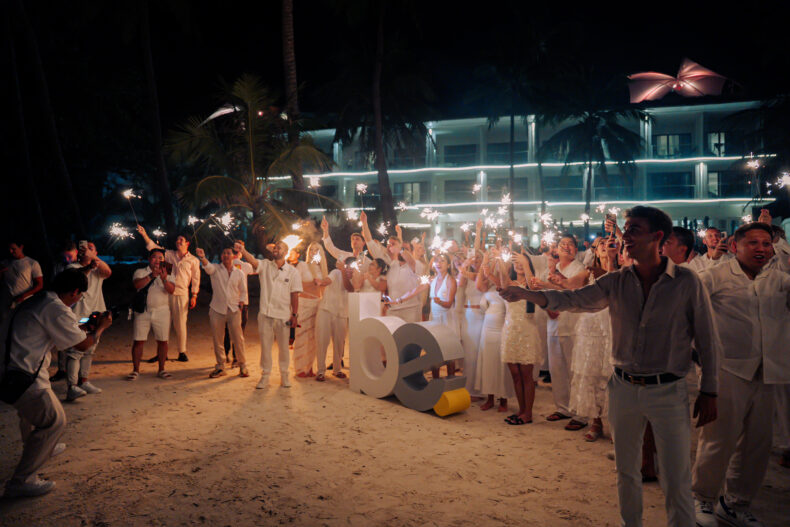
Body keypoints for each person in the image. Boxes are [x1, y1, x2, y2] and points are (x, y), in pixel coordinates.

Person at [501, 205, 719, 527]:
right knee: (625, 470)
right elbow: (575, 300)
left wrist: (710, 389)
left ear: (658, 237)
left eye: (634, 230)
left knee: (675, 476)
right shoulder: (617, 281)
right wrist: (527, 294)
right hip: (623, 388)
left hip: (668, 390)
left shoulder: (687, 282)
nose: (625, 236)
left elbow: (707, 337)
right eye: (626, 228)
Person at [691, 222, 790, 527]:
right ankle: (703, 499)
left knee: (758, 444)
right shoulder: (714, 277)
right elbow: (688, 313)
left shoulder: (781, 281)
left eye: (766, 243)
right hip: (727, 369)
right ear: (735, 246)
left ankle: (736, 503)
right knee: (718, 439)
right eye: (753, 243)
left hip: (767, 371)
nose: (761, 249)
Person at [2, 269, 112, 497]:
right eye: (80, 295)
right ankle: (21, 481)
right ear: (75, 292)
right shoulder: (55, 308)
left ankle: (42, 448)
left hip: (9, 370)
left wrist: (85, 326)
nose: (79, 299)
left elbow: (67, 329)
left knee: (30, 415)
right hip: (23, 374)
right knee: (54, 421)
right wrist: (101, 328)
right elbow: (82, 345)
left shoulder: (40, 300)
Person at [237, 240, 302, 389]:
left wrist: (295, 315)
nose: (276, 249)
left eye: (280, 247)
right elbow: (253, 261)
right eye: (275, 247)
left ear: (285, 252)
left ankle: (284, 375)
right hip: (265, 313)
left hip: (283, 315)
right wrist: (243, 250)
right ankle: (265, 376)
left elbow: (295, 295)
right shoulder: (265, 265)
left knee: (284, 348)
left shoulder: (293, 272)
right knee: (265, 346)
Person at [537, 233, 586, 431]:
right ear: (556, 249)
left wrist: (551, 282)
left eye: (570, 244)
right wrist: (548, 307)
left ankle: (580, 412)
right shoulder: (552, 268)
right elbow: (545, 296)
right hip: (554, 324)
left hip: (572, 324)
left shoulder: (580, 268)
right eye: (562, 244)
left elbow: (575, 288)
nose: (566, 247)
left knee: (574, 370)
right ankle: (563, 407)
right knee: (557, 369)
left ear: (576, 249)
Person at [137, 226, 200, 362]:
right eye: (177, 239)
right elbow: (152, 247)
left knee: (180, 324)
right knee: (163, 323)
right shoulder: (169, 255)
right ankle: (162, 353)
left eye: (181, 240)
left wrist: (194, 295)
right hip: (165, 292)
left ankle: (182, 352)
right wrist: (144, 234)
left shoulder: (193, 260)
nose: (178, 241)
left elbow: (196, 279)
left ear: (187, 243)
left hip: (181, 294)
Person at [64, 241, 112, 401]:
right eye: (84, 249)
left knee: (90, 350)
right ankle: (72, 386)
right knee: (75, 351)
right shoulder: (72, 268)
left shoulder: (98, 268)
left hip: (97, 314)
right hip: (79, 316)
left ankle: (83, 381)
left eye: (91, 249)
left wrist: (93, 259)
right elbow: (77, 278)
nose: (86, 251)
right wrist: (90, 265)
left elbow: (108, 272)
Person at [196, 247, 249, 379]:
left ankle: (242, 365)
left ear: (233, 256)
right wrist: (202, 257)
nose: (226, 255)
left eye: (228, 253)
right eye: (224, 253)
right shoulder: (216, 269)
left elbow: (243, 290)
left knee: (238, 338)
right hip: (217, 309)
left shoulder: (239, 273)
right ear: (221, 256)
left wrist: (241, 302)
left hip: (234, 309)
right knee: (218, 339)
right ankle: (220, 366)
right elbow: (207, 267)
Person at [501, 253, 541, 426]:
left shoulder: (532, 283)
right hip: (510, 330)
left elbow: (533, 289)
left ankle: (528, 413)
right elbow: (495, 276)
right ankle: (521, 409)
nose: (518, 265)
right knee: (515, 375)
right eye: (515, 262)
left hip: (527, 329)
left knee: (526, 375)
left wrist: (525, 263)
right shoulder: (508, 284)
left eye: (521, 262)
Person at [360, 212, 420, 322]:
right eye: (390, 244)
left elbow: (409, 259)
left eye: (394, 245)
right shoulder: (390, 264)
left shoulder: (413, 265)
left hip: (411, 310)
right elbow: (370, 242)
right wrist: (364, 223)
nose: (391, 246)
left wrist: (400, 248)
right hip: (393, 310)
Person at [474, 250, 514, 412]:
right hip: (487, 327)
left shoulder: (507, 283)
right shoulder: (488, 285)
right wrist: (485, 259)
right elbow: (479, 282)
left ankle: (503, 399)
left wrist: (498, 264)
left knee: (501, 362)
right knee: (488, 362)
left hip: (501, 326)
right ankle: (490, 397)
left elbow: (499, 281)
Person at [127, 249, 175, 380]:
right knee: (139, 340)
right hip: (143, 311)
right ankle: (135, 370)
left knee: (163, 341)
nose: (157, 260)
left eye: (161, 258)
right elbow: (137, 285)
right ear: (149, 259)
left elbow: (171, 290)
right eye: (154, 257)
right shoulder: (141, 272)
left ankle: (162, 369)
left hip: (162, 311)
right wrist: (151, 275)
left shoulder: (168, 271)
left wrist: (164, 279)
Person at [316, 256, 355, 381]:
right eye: (348, 267)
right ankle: (320, 371)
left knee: (339, 343)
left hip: (342, 313)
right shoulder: (336, 272)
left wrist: (344, 271)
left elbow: (349, 288)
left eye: (352, 269)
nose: (350, 270)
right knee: (322, 341)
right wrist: (321, 282)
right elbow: (328, 280)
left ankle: (337, 369)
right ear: (346, 265)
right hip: (326, 310)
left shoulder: (355, 278)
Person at [293, 243, 328, 378]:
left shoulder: (322, 269)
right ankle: (300, 368)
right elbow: (296, 283)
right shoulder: (303, 266)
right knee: (301, 335)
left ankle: (309, 367)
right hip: (304, 303)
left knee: (314, 337)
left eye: (316, 250)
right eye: (311, 250)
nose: (313, 252)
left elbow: (324, 288)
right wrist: (313, 283)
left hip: (317, 304)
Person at [50, 240, 79, 382]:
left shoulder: (80, 266)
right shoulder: (59, 266)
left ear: (76, 252)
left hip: (77, 308)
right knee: (61, 338)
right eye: (65, 257)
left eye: (70, 256)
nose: (67, 260)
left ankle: (77, 371)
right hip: (62, 306)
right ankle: (62, 369)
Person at [224, 241, 255, 367]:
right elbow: (256, 267)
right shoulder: (246, 266)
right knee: (239, 332)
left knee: (226, 330)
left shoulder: (225, 264)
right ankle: (235, 358)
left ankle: (226, 355)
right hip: (241, 303)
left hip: (230, 302)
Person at [1, 241, 44, 324]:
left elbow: (40, 285)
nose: (11, 251)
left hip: (25, 302)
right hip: (7, 303)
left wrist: (23, 296)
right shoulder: (4, 263)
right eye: (9, 249)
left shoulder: (32, 263)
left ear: (21, 247)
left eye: (13, 249)